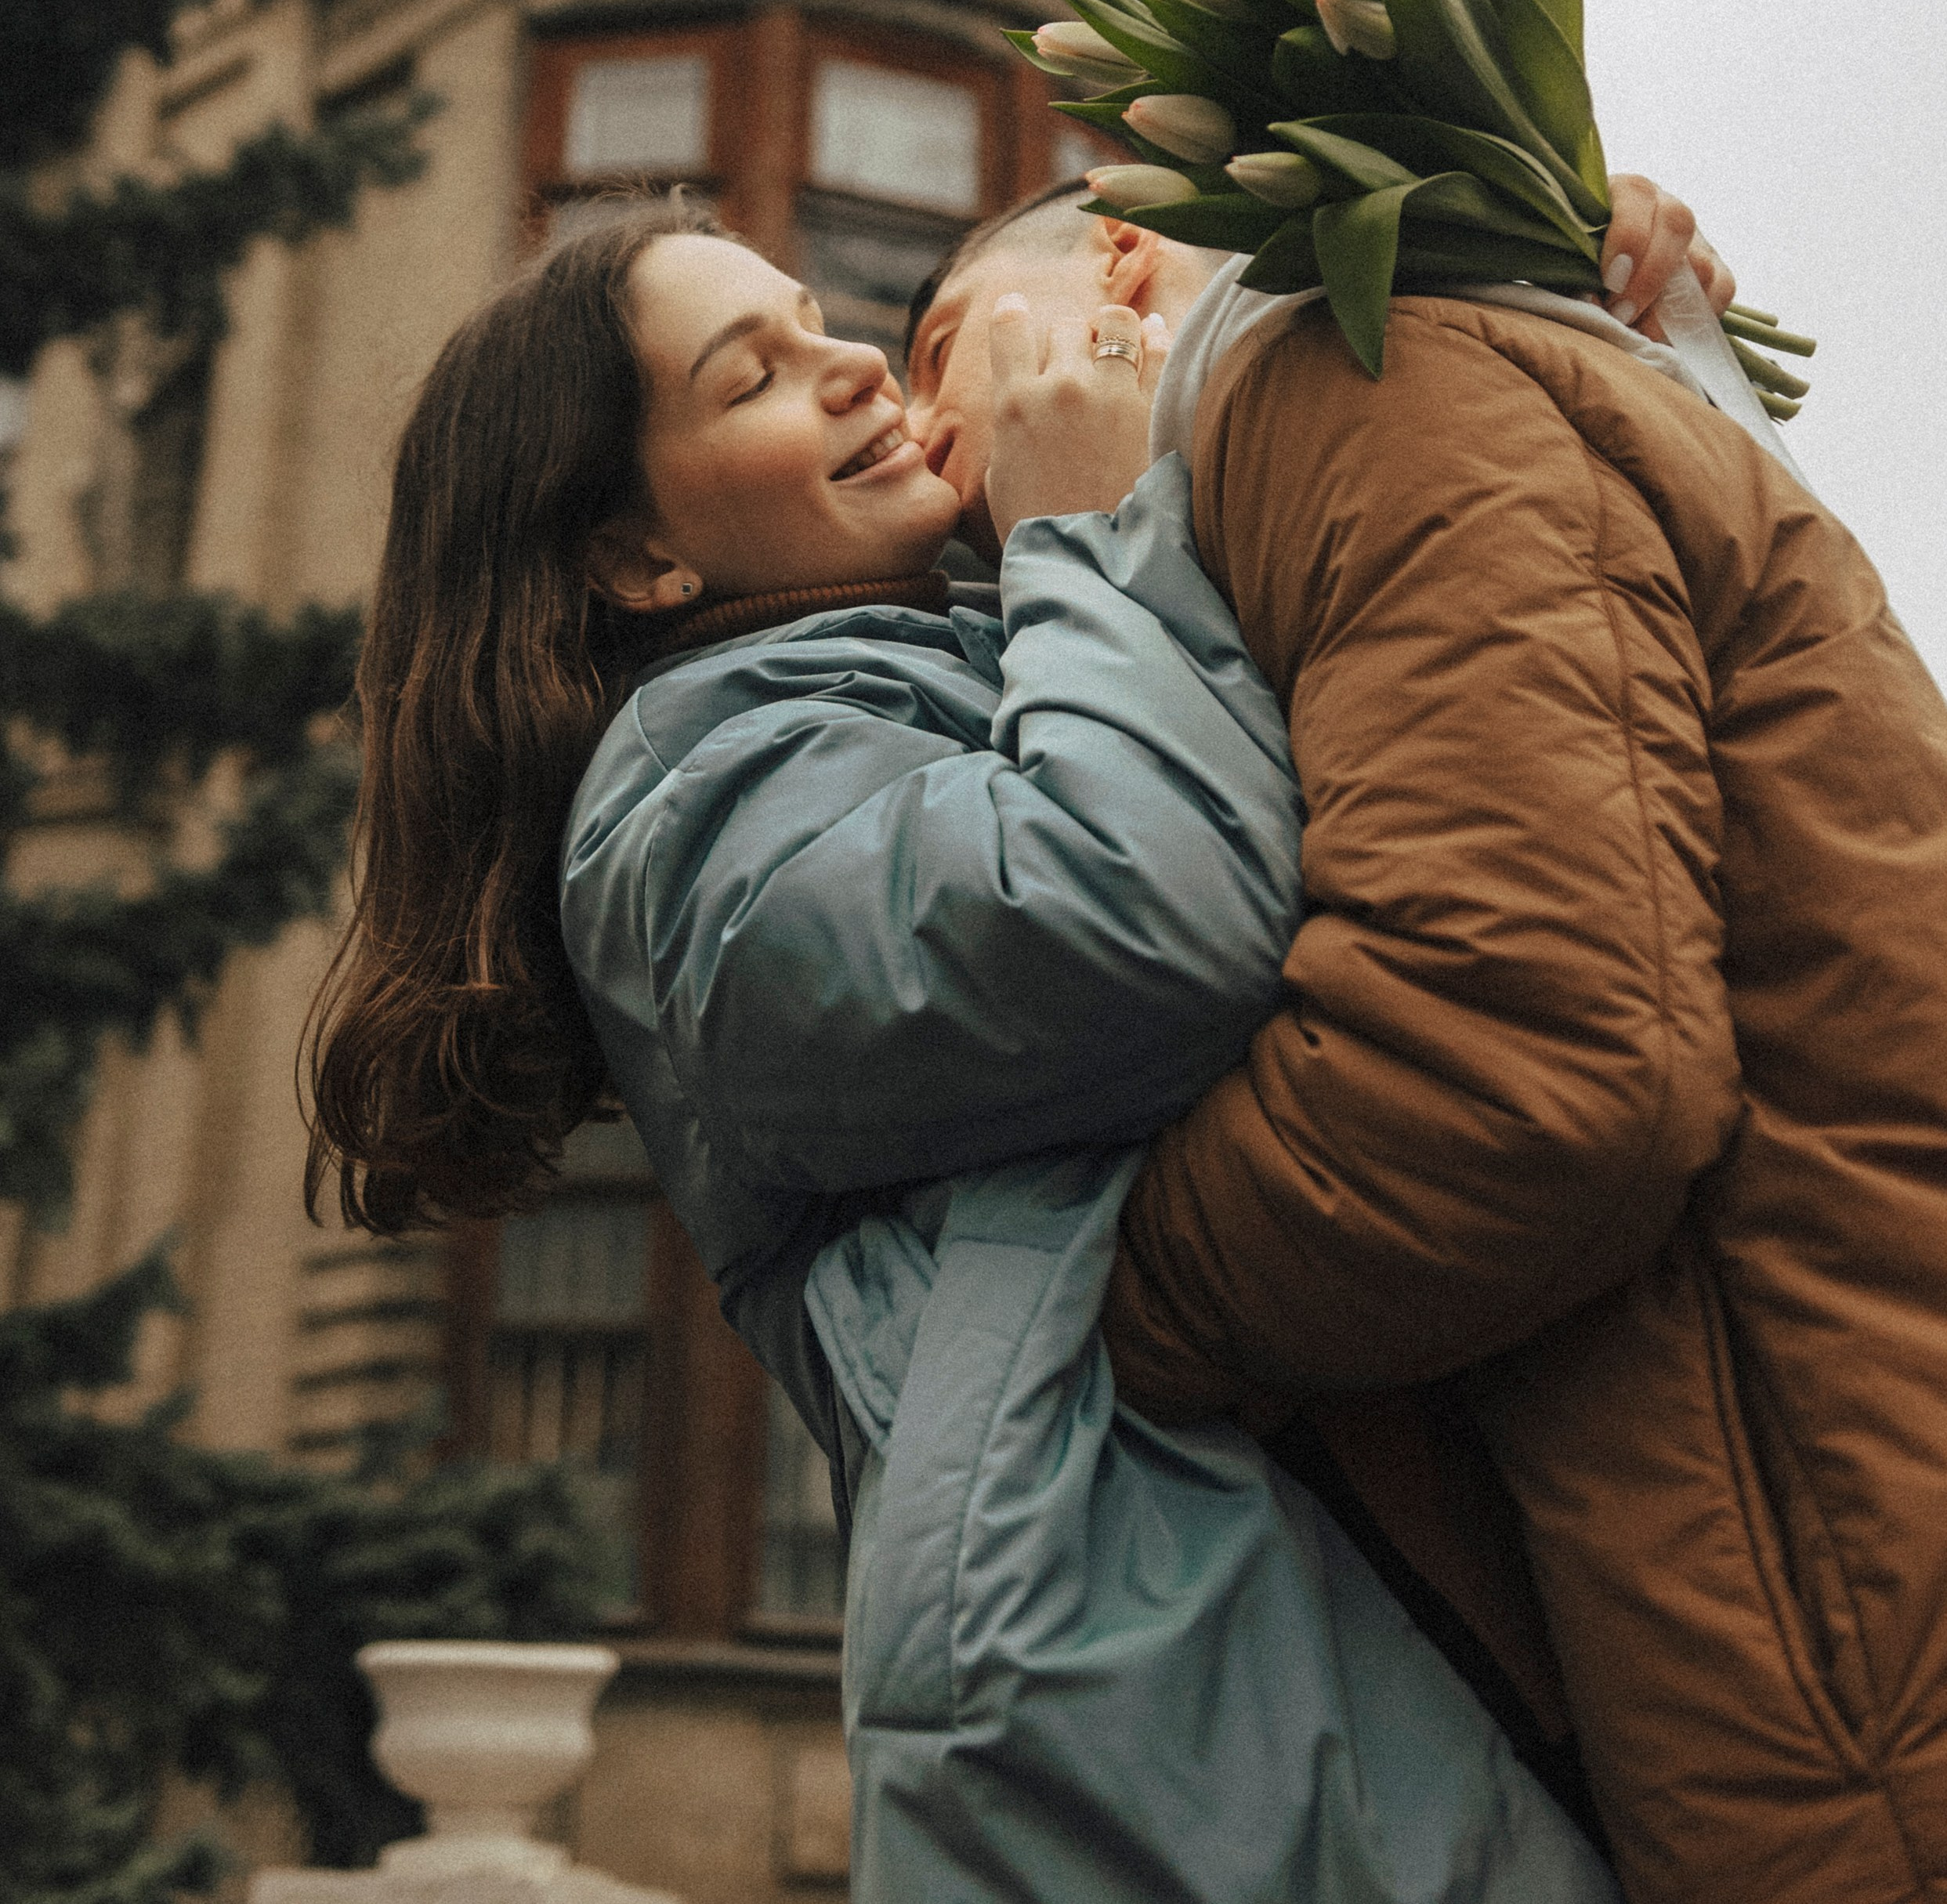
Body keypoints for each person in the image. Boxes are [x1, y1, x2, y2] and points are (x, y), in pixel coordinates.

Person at [307, 186, 1672, 1904]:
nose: (860, 367)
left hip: (1336, 1626)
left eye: (822, 322)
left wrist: (1598, 318)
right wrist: (1085, 532)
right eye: (756, 379)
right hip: (1159, 1717)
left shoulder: (1003, 659)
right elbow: (1143, 914)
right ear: (636, 556)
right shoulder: (688, 822)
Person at [901, 172, 1947, 1904]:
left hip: (1840, 1620)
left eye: (938, 364)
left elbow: (1524, 1085)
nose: (941, 460)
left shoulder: (1339, 382)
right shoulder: (1406, 391)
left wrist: (1086, 1309)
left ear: (1108, 261)